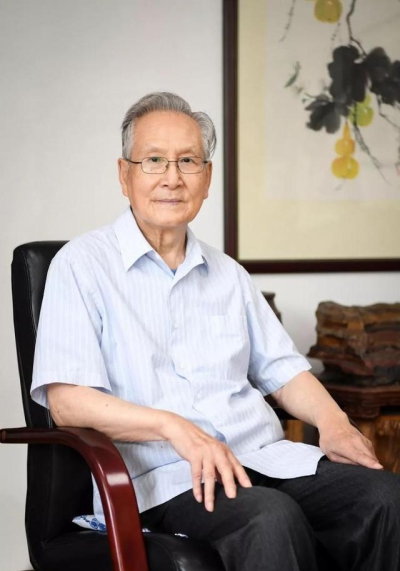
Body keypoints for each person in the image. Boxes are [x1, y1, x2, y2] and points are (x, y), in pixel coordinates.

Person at [31, 92, 400, 571]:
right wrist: (174, 427)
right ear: (124, 175)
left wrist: (334, 423)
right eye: (154, 160)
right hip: (169, 481)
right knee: (269, 518)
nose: (172, 177)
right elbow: (67, 402)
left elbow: (284, 371)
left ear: (206, 179)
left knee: (385, 496)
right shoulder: (81, 266)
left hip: (263, 461)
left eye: (188, 161)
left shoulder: (229, 274)